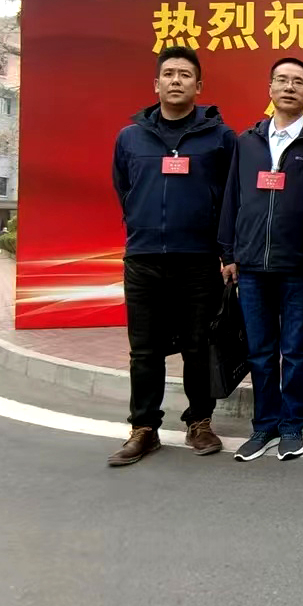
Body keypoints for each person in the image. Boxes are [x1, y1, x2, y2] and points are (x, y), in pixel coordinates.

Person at [107, 45, 236, 467]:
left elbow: (231, 197)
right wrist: (142, 225)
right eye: (169, 73)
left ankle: (200, 421)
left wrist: (226, 252)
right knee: (144, 350)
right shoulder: (130, 138)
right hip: (143, 259)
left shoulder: (220, 138)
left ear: (199, 86)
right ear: (156, 84)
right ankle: (144, 428)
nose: (176, 80)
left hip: (198, 259)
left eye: (184, 74)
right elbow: (124, 188)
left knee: (198, 347)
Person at [219, 57, 303, 462]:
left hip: (298, 264)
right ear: (270, 88)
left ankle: (292, 425)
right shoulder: (247, 141)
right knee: (260, 352)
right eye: (282, 80)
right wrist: (228, 252)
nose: (289, 87)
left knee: (295, 350)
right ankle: (264, 425)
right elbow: (232, 197)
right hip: (250, 266)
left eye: (298, 82)